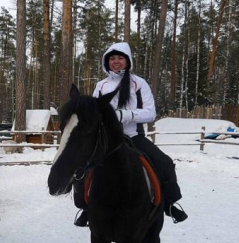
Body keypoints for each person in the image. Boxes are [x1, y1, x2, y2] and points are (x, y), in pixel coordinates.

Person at [74, 42, 188, 227]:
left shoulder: (139, 83)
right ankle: (85, 208)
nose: (116, 61)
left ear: (127, 61)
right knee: (81, 167)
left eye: (120, 58)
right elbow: (93, 111)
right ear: (106, 62)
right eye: (112, 58)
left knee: (165, 163)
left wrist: (124, 115)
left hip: (134, 136)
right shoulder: (101, 86)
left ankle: (170, 204)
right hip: (106, 140)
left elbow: (151, 113)